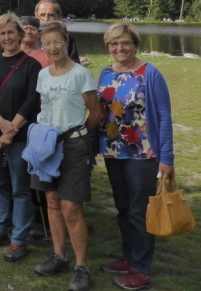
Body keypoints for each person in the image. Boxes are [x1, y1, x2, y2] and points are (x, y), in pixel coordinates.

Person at [96, 23, 174, 290]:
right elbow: (100, 112)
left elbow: (164, 117)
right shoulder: (105, 73)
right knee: (123, 207)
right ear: (108, 46)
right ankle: (128, 257)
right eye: (114, 43)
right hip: (113, 151)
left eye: (125, 43)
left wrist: (168, 158)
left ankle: (141, 269)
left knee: (139, 212)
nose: (120, 48)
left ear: (135, 44)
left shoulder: (149, 73)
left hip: (143, 153)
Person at [30, 23, 102, 291]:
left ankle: (81, 267)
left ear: (66, 41)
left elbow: (95, 114)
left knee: (71, 209)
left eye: (56, 42)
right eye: (46, 43)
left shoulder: (81, 74)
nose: (52, 48)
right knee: (51, 202)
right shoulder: (43, 75)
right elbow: (45, 109)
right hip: (47, 146)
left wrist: (79, 137)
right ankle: (59, 256)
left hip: (73, 147)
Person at [0, 13, 42, 262]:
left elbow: (31, 101)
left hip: (21, 135)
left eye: (11, 32)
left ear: (20, 34)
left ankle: (19, 240)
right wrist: (1, 125)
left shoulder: (31, 65)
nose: (7, 37)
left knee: (21, 188)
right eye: (2, 33)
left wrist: (12, 128)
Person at [34, 0, 80, 64]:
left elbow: (75, 64)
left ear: (59, 16)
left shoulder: (68, 39)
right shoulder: (29, 38)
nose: (46, 19)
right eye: (42, 15)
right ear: (36, 15)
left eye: (51, 15)